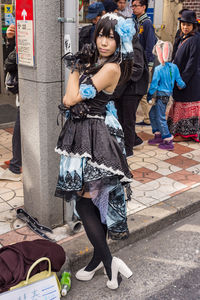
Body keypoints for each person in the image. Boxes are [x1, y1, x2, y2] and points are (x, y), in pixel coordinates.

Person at [55, 13, 135, 289]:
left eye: (111, 38)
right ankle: (98, 261)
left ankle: (110, 263)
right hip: (81, 135)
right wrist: (81, 67)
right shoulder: (99, 62)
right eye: (101, 34)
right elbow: (71, 100)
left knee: (85, 200)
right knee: (87, 201)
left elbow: (69, 98)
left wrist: (76, 68)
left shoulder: (111, 68)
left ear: (119, 42)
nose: (103, 42)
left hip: (94, 139)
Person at [115, 27, 149, 156]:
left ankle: (128, 150)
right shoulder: (122, 44)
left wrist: (120, 79)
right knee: (121, 118)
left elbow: (137, 69)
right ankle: (132, 141)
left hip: (133, 89)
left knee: (128, 120)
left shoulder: (134, 46)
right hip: (124, 87)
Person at [167, 10, 200, 143]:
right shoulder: (182, 38)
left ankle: (187, 133)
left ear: (193, 26)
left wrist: (182, 80)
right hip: (180, 77)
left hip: (190, 79)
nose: (185, 27)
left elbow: (192, 63)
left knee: (187, 104)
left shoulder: (195, 40)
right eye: (183, 24)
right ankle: (178, 130)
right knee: (179, 102)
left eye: (188, 25)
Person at [147, 40, 186, 151]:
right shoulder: (174, 67)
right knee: (152, 113)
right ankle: (158, 135)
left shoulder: (159, 69)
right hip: (168, 96)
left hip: (160, 96)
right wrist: (183, 86)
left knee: (160, 117)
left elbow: (154, 85)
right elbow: (180, 82)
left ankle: (167, 139)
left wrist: (149, 95)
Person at [0, 24, 22, 182]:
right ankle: (17, 161)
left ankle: (16, 167)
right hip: (24, 90)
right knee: (20, 129)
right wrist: (10, 39)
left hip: (30, 89)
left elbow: (9, 63)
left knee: (19, 130)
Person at [131, 0, 157, 126]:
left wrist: (148, 64)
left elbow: (150, 44)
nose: (133, 8)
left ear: (143, 7)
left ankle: (148, 119)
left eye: (136, 6)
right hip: (137, 62)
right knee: (140, 91)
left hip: (144, 63)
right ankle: (147, 118)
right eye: (132, 6)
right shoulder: (136, 21)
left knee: (143, 91)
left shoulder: (146, 23)